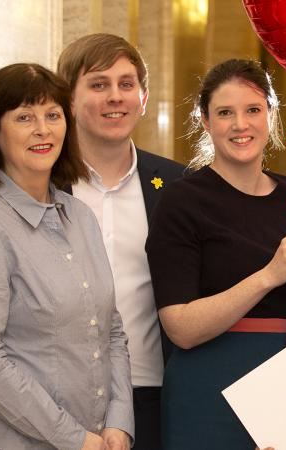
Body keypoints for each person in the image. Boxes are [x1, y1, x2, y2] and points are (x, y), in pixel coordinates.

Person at [0, 63, 132, 450]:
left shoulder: (79, 216)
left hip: (93, 437)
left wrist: (118, 421)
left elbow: (110, 328)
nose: (42, 129)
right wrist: (73, 437)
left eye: (53, 115)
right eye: (24, 117)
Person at [144, 59, 286, 450]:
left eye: (253, 110)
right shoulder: (180, 202)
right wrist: (268, 275)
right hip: (208, 392)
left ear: (272, 117)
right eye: (225, 113)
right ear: (205, 122)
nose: (241, 124)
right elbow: (182, 329)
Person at [57, 33, 186, 450]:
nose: (115, 97)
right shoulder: (45, 186)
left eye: (126, 84)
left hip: (154, 396)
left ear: (143, 98)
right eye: (98, 85)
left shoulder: (180, 187)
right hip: (61, 401)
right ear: (69, 100)